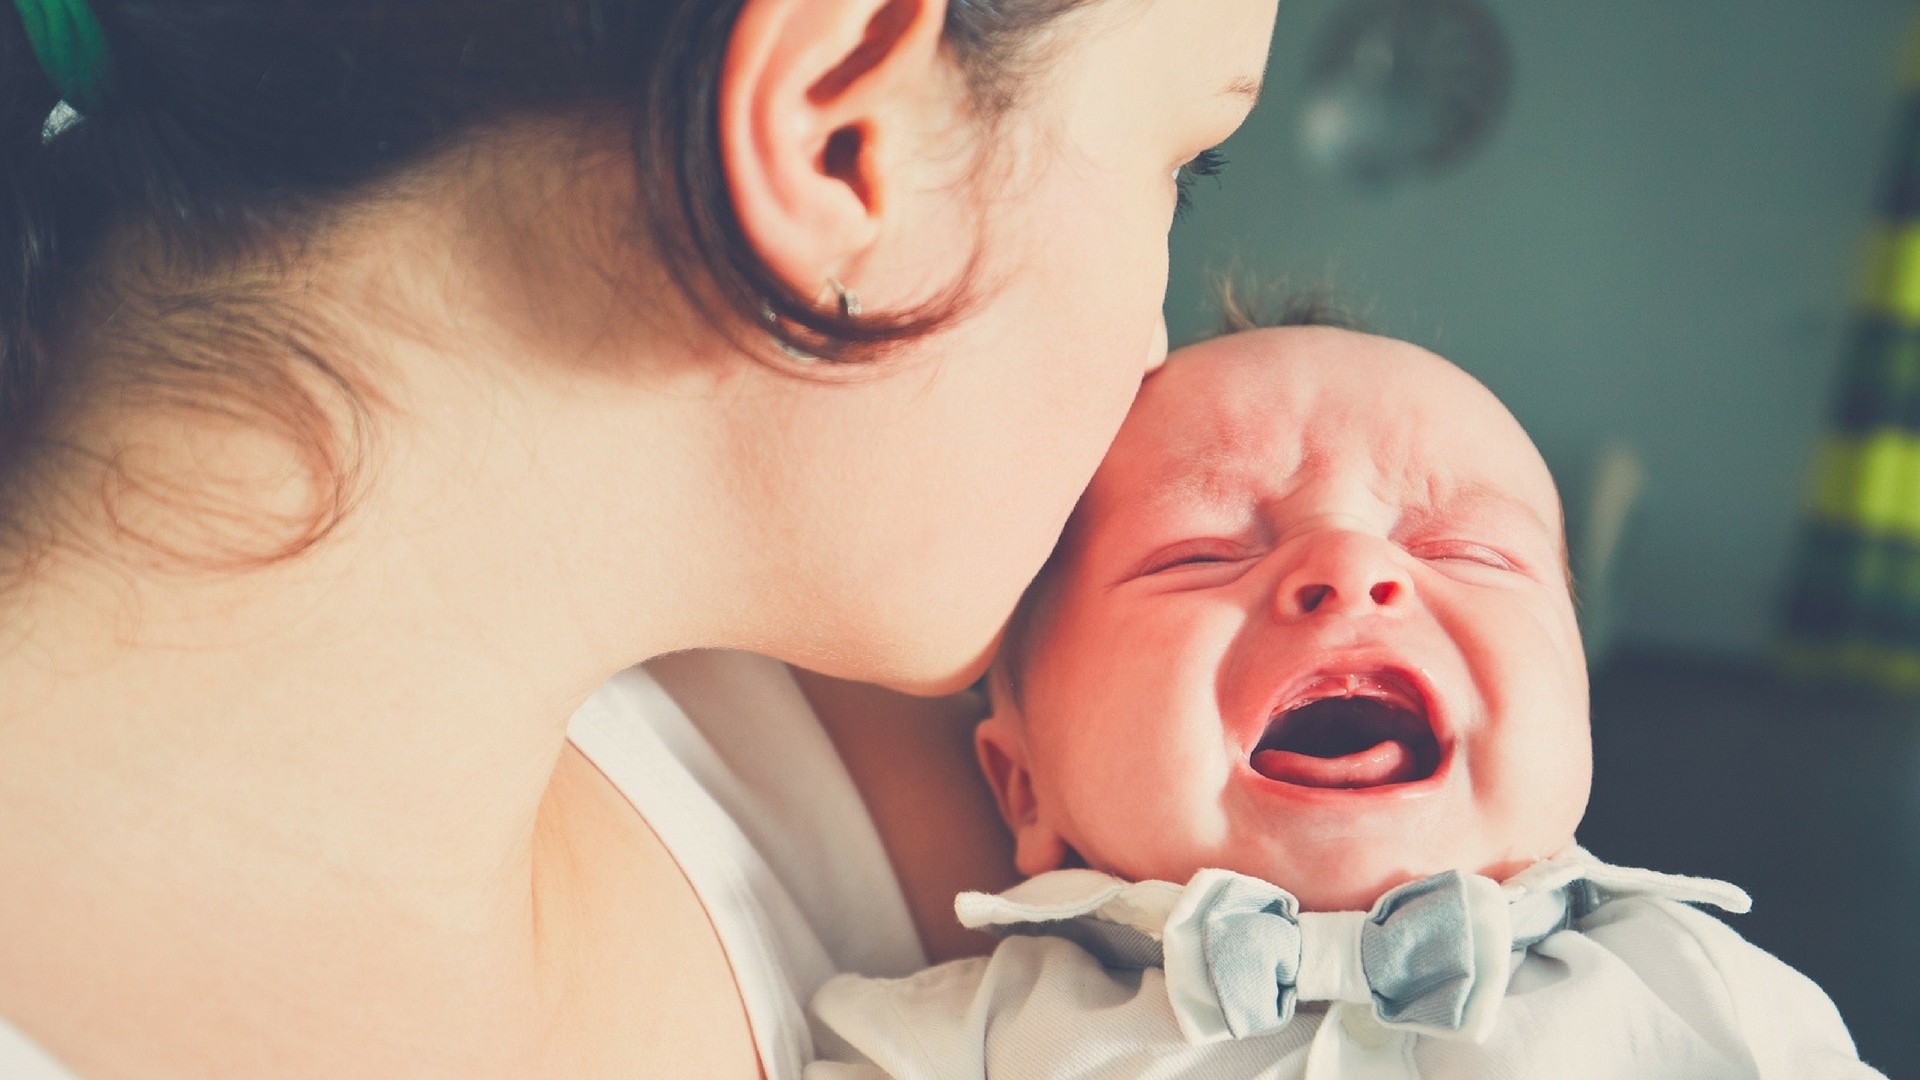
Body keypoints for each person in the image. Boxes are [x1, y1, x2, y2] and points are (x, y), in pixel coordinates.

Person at [0, 0, 1282, 1076]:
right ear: (836, 127)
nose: (1158, 349)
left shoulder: (953, 781)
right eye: (1183, 163)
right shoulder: (903, 799)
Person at [808, 324, 1886, 1078]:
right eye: (1197, 554)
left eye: (1463, 550)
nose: (1351, 569)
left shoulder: (1706, 1001)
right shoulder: (973, 1037)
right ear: (1024, 783)